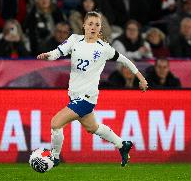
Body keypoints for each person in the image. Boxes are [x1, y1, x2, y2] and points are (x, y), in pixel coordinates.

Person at [37, 11, 148, 167]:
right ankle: (122, 145)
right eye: (90, 24)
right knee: (92, 127)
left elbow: (126, 61)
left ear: (100, 27)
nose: (93, 27)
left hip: (87, 98)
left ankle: (54, 157)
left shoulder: (104, 48)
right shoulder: (74, 40)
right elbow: (57, 53)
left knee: (56, 123)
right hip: (74, 95)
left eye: (97, 24)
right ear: (84, 25)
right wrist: (47, 55)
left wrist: (141, 79)